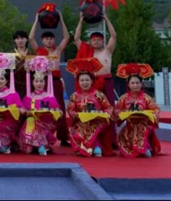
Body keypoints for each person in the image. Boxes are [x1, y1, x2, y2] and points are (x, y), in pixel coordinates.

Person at [29, 11, 71, 145]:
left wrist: (61, 20)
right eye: (46, 39)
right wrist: (36, 20)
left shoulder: (57, 51)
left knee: (60, 108)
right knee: (43, 108)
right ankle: (43, 135)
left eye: (51, 39)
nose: (49, 41)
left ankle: (63, 137)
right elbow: (31, 38)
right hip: (43, 82)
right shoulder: (39, 51)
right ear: (42, 41)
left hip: (56, 81)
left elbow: (66, 37)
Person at [66, 58, 114, 157]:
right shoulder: (75, 96)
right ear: (78, 82)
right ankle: (94, 147)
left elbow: (108, 107)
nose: (85, 82)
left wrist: (102, 114)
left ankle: (94, 147)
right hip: (81, 121)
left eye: (87, 80)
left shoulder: (98, 94)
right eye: (82, 80)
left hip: (97, 121)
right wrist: (78, 114)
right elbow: (70, 110)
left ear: (92, 81)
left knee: (92, 127)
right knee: (75, 131)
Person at [114, 63, 161, 158]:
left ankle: (145, 147)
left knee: (142, 129)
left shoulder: (146, 97)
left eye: (137, 83)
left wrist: (150, 115)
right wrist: (123, 113)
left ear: (141, 84)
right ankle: (139, 149)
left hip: (144, 125)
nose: (135, 85)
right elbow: (116, 110)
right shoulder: (124, 98)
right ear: (128, 84)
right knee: (124, 134)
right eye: (132, 83)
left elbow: (156, 109)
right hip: (130, 125)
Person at [18, 56, 61, 156]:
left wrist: (57, 112)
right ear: (32, 82)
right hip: (32, 121)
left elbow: (57, 110)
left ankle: (40, 145)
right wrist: (24, 111)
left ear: (45, 82)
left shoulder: (49, 97)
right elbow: (24, 110)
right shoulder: (29, 97)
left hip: (46, 123)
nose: (39, 84)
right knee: (31, 121)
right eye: (36, 81)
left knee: (35, 123)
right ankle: (37, 145)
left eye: (41, 81)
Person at [74, 13, 118, 103]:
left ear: (103, 41)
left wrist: (107, 20)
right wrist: (80, 22)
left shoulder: (107, 51)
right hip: (92, 82)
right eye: (94, 40)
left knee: (109, 103)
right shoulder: (86, 51)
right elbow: (76, 38)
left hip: (107, 81)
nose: (96, 42)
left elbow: (114, 36)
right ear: (90, 42)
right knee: (92, 104)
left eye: (99, 40)